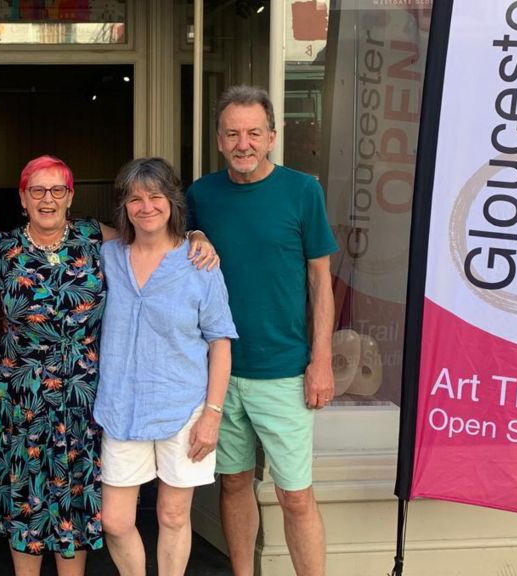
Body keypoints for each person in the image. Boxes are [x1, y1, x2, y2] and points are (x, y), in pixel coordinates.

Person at [0, 155, 219, 576]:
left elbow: (152, 235)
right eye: (37, 191)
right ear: (22, 198)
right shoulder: (0, 248)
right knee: (26, 508)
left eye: (57, 190)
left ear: (70, 196)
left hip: (82, 399)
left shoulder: (92, 237)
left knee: (74, 508)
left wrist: (195, 234)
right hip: (19, 399)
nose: (48, 199)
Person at [186, 85, 338, 576]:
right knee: (233, 484)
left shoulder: (302, 191)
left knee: (295, 495)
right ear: (219, 140)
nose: (243, 143)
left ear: (272, 136)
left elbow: (321, 281)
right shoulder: (201, 195)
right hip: (220, 374)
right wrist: (194, 232)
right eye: (233, 134)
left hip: (284, 372)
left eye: (253, 133)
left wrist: (321, 360)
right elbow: (165, 246)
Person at [94, 157, 237, 576]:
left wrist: (213, 414)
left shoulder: (200, 264)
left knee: (173, 516)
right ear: (124, 207)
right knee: (115, 521)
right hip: (121, 407)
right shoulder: (108, 256)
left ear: (172, 201)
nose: (146, 206)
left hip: (184, 407)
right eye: (135, 199)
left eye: (155, 196)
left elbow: (220, 343)